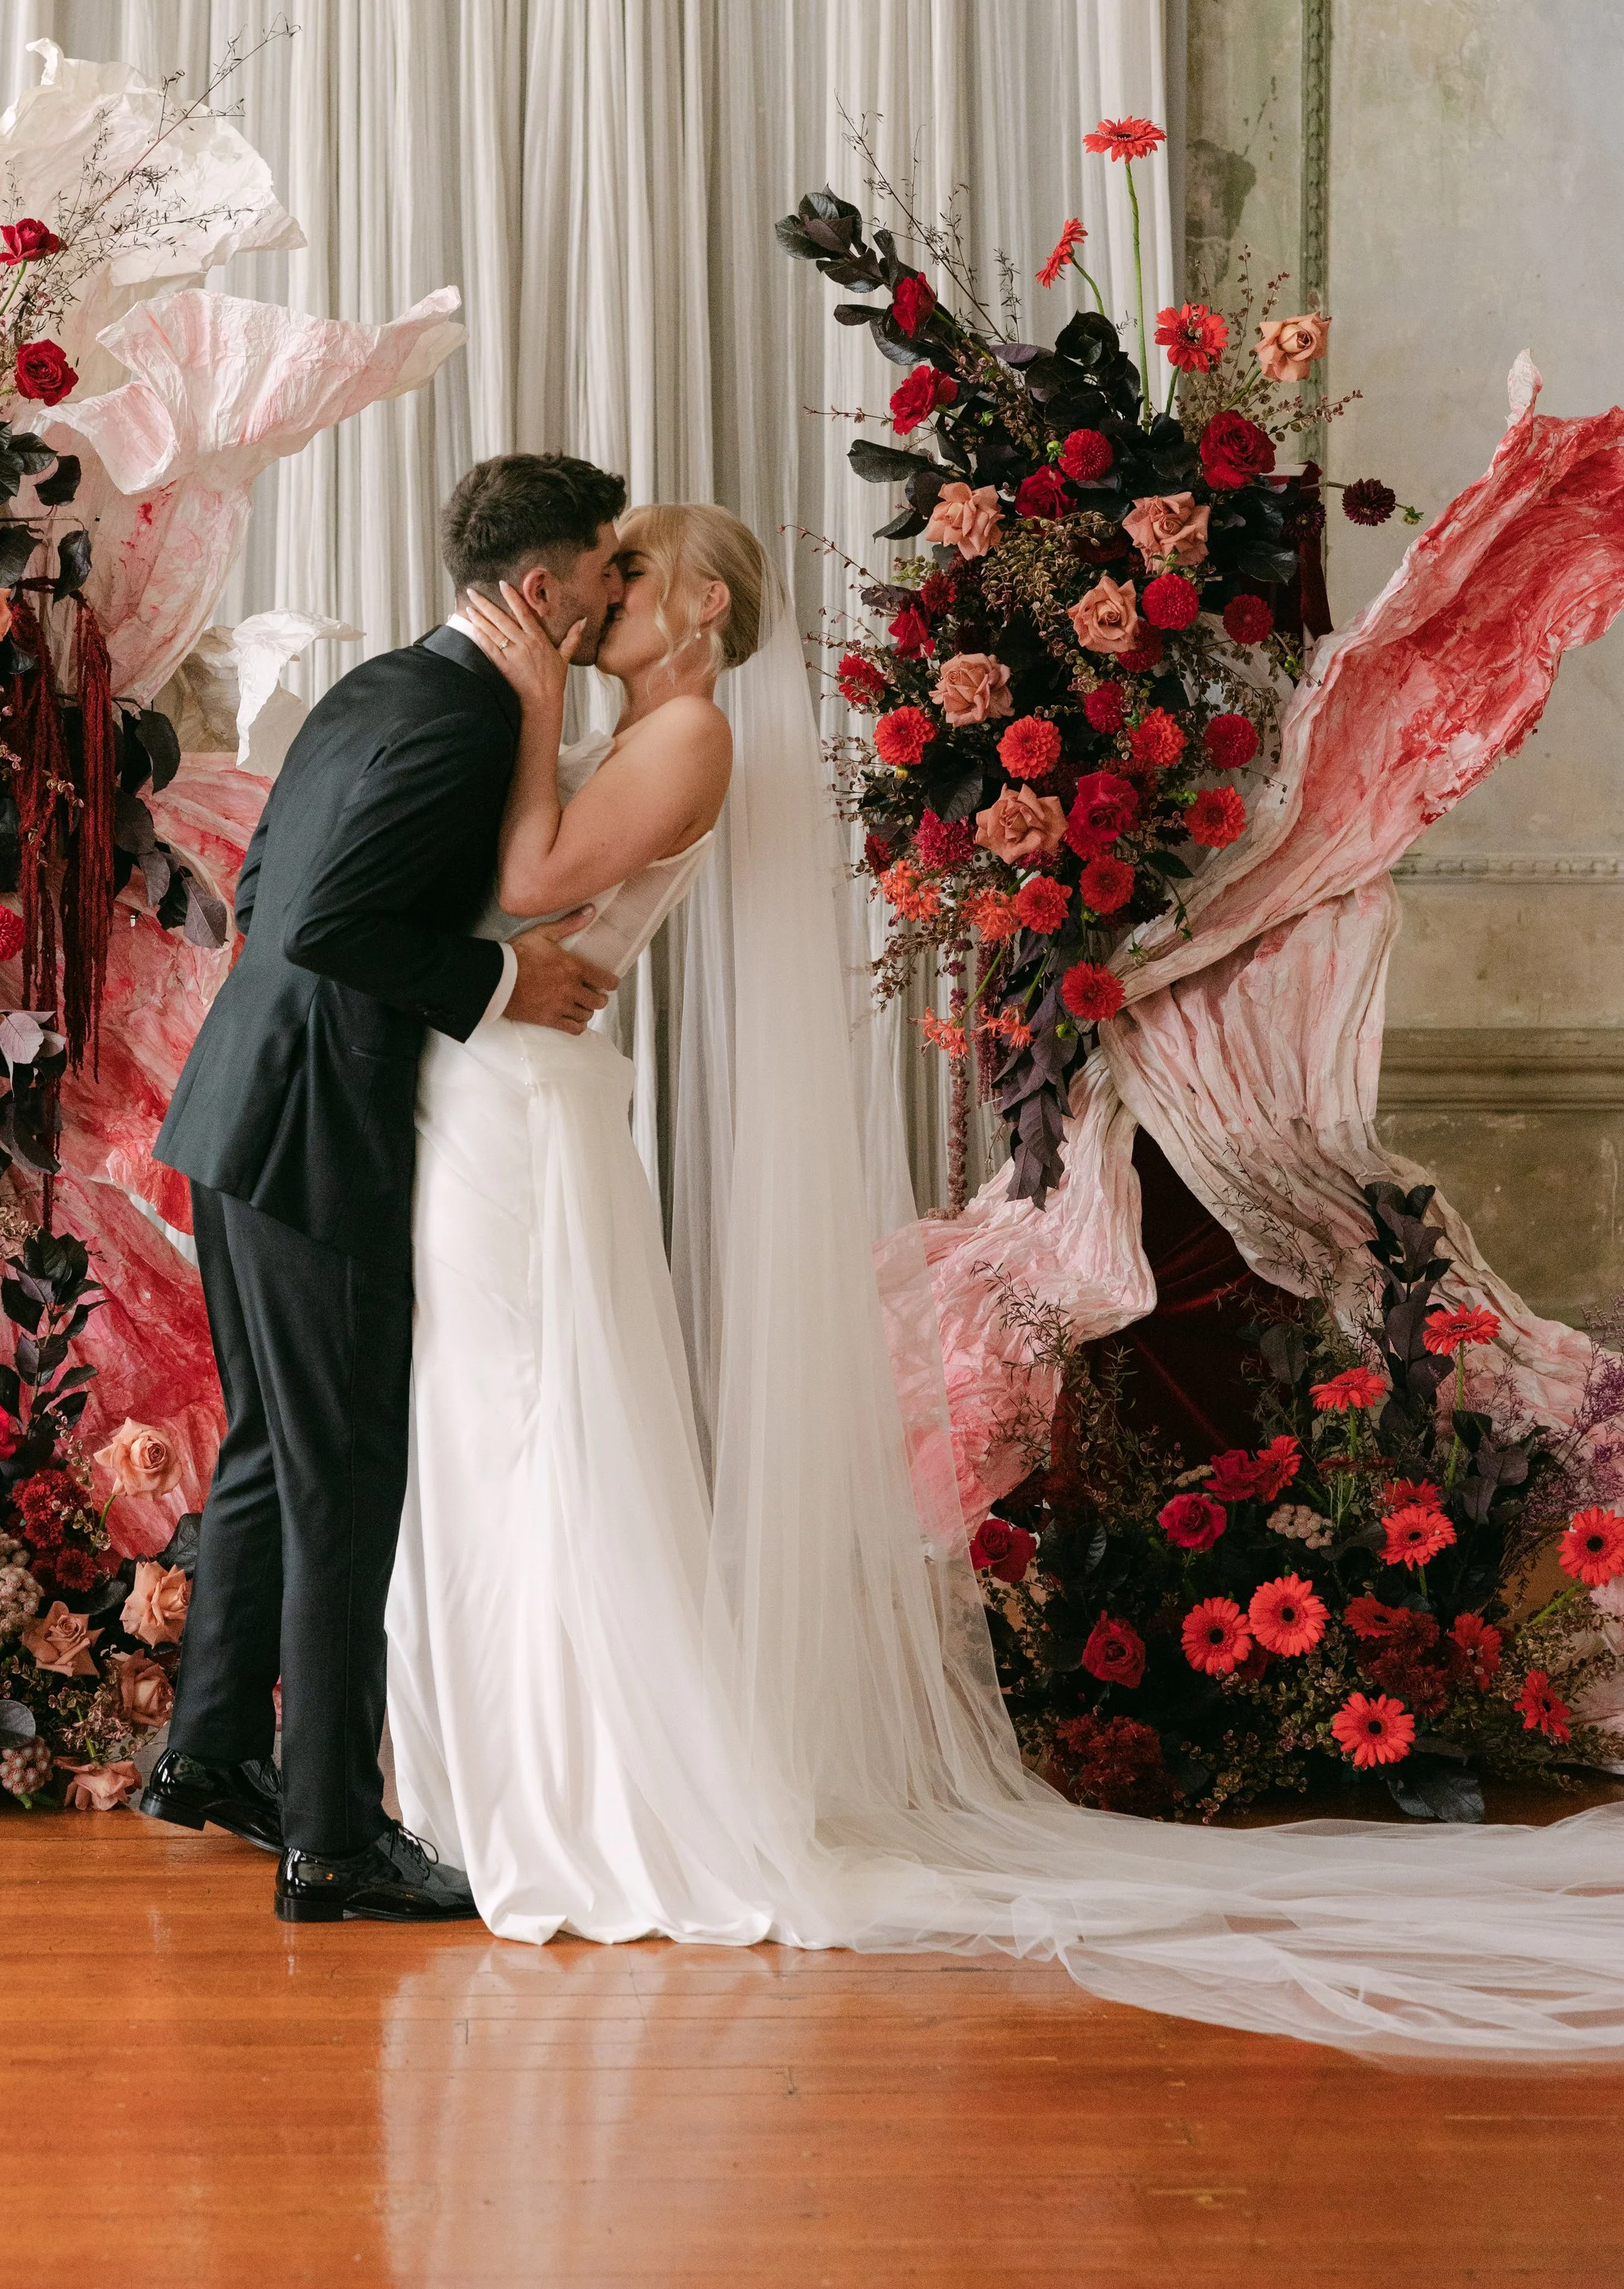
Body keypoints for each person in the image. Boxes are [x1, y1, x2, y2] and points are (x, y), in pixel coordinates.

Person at [387, 497, 1624, 2060]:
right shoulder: (639, 720)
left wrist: (523, 694)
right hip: (502, 1089)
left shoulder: (682, 731)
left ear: (699, 602)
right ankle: (505, 1761)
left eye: (628, 570)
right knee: (497, 1430)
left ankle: (575, 1784)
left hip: (534, 1101)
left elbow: (515, 870)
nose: (590, 595)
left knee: (528, 1429)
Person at [144, 452, 628, 1924]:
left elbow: (272, 876)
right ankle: (334, 1843)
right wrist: (504, 977)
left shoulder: (387, 684)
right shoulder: (471, 721)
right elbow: (338, 917)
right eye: (605, 570)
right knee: (345, 1477)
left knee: (270, 1453)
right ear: (542, 590)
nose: (615, 592)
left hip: (235, 1111)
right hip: (309, 1131)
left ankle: (209, 1757)